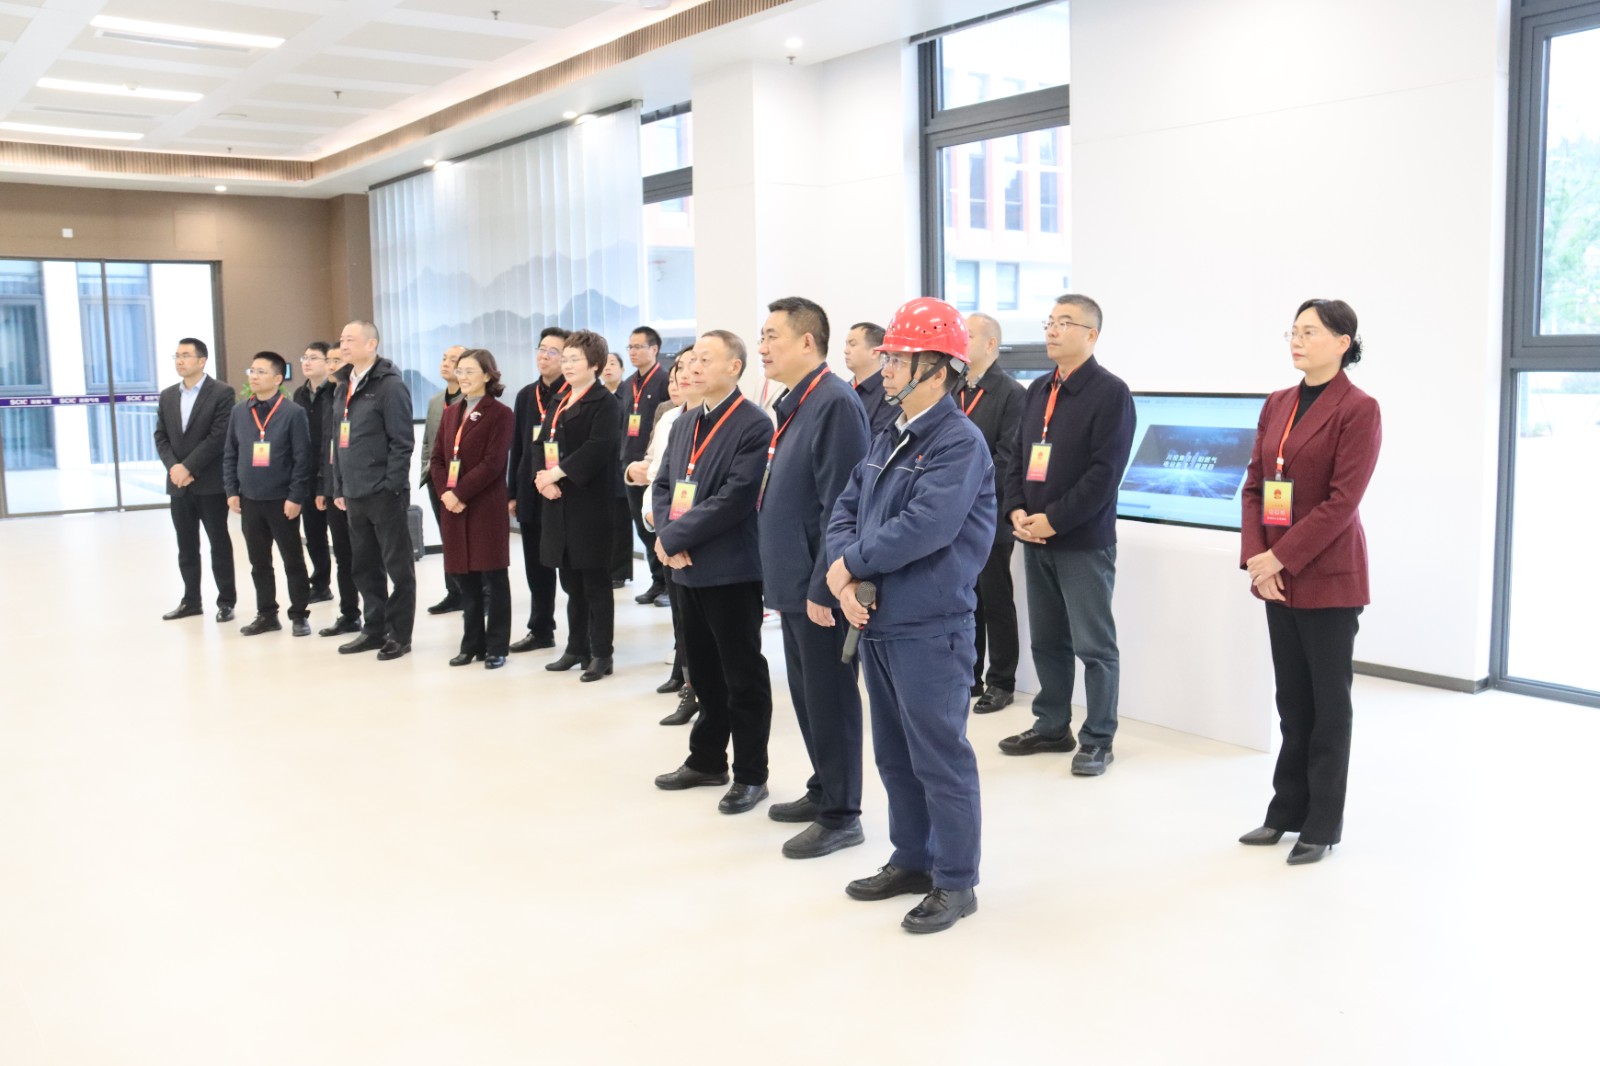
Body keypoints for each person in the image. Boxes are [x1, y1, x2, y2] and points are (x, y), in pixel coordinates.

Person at [826, 297, 995, 934]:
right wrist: (845, 570)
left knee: (939, 759)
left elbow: (926, 525)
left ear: (937, 369)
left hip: (931, 626)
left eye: (899, 358)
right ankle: (912, 859)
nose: (887, 367)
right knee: (895, 756)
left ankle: (955, 880)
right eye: (889, 356)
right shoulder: (890, 432)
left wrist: (851, 565)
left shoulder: (959, 443)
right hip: (879, 620)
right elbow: (848, 506)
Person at [1238, 299, 1381, 866]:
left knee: (1328, 708)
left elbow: (1342, 502)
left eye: (1310, 332)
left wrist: (1280, 558)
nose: (1297, 341)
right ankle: (1284, 812)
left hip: (1328, 575)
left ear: (1343, 342)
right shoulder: (1278, 402)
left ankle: (1322, 825)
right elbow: (1255, 485)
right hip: (1275, 573)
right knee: (1292, 703)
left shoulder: (1359, 409)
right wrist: (1258, 558)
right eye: (1293, 332)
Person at [998, 295, 1135, 776]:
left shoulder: (1111, 393)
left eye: (1064, 323)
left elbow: (1104, 474)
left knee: (1094, 647)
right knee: (1046, 641)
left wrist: (1054, 519)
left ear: (1091, 335)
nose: (1052, 330)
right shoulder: (1038, 388)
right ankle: (1052, 726)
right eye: (1050, 322)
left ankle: (1098, 738)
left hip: (1081, 542)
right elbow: (1017, 456)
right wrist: (1016, 509)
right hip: (1034, 538)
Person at [756, 296, 872, 860]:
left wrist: (825, 585)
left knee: (830, 698)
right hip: (793, 580)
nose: (762, 347)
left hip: (818, 586)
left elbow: (840, 506)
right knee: (806, 695)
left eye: (771, 336)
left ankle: (842, 814)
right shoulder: (796, 401)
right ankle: (824, 785)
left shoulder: (834, 403)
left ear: (807, 341)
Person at [650, 331, 775, 815]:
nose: (692, 368)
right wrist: (668, 536)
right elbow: (664, 485)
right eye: (689, 361)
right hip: (684, 567)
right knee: (701, 671)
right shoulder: (684, 421)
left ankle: (751, 774)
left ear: (734, 367)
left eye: (705, 359)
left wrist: (675, 538)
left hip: (730, 569)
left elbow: (737, 497)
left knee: (741, 675)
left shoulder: (754, 424)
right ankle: (706, 760)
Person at [535, 329, 622, 682]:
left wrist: (557, 474)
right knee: (570, 581)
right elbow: (542, 442)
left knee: (595, 584)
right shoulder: (560, 398)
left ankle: (602, 653)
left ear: (595, 365)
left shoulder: (605, 402)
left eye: (575, 360)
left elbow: (597, 448)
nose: (567, 365)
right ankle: (576, 648)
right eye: (565, 359)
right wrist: (543, 480)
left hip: (589, 504)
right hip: (558, 501)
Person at [329, 320, 416, 662]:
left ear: (371, 344)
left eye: (350, 339)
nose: (343, 345)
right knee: (364, 566)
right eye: (341, 339)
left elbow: (402, 441)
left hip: (383, 492)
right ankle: (374, 628)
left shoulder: (390, 386)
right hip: (353, 492)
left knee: (397, 566)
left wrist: (391, 485)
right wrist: (339, 485)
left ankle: (400, 634)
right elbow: (338, 442)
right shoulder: (343, 386)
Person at [431, 349, 516, 669]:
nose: (463, 376)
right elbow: (437, 459)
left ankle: (497, 646)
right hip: (454, 507)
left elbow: (494, 463)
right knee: (464, 578)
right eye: (460, 370)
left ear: (487, 375)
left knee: (494, 577)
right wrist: (446, 493)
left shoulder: (500, 413)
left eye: (470, 371)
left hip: (484, 505)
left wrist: (460, 492)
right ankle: (471, 644)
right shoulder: (451, 412)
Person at [960, 313, 1027, 713]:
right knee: (966, 598)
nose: (960, 340)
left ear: (990, 344)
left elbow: (1007, 457)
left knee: (995, 598)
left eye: (967, 335)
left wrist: (964, 489)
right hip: (954, 514)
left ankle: (1002, 681)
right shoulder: (953, 387)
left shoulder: (1010, 393)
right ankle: (970, 674)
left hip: (989, 512)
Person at [223, 352, 314, 636]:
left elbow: (302, 459)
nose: (254, 376)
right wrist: (232, 490)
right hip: (250, 499)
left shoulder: (293, 413)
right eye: (252, 371)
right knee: (258, 562)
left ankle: (299, 615)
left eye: (261, 372)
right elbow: (230, 453)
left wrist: (295, 497)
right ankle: (266, 614)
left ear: (277, 379)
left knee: (292, 560)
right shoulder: (240, 412)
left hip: (282, 500)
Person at [631, 355, 699, 724]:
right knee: (680, 614)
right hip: (667, 530)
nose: (684, 375)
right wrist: (652, 517)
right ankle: (685, 677)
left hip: (695, 534)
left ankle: (696, 685)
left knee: (702, 622)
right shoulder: (671, 419)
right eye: (679, 371)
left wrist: (678, 533)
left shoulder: (736, 420)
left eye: (694, 366)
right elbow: (657, 475)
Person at [153, 336, 237, 622]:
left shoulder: (222, 392)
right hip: (178, 485)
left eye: (186, 355)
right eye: (177, 356)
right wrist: (174, 468)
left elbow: (218, 436)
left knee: (219, 544)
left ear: (202, 361)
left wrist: (188, 467)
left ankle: (226, 601)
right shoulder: (167, 395)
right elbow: (161, 436)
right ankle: (191, 601)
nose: (180, 361)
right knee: (186, 546)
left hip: (210, 483)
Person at [506, 327, 570, 653]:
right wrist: (512, 492)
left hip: (563, 492)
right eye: (541, 349)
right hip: (531, 492)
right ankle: (541, 628)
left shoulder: (574, 394)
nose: (544, 356)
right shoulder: (525, 395)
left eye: (552, 351)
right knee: (536, 566)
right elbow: (517, 447)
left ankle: (583, 636)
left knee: (571, 569)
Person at [620, 326, 672, 606]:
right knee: (642, 527)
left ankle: (669, 585)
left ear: (654, 349)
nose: (633, 352)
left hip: (654, 467)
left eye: (638, 346)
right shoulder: (628, 383)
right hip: (631, 465)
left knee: (659, 524)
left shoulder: (664, 380)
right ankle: (657, 580)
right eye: (630, 347)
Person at [314, 343, 362, 637]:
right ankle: (349, 614)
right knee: (343, 556)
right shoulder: (329, 396)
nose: (331, 366)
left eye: (336, 360)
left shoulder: (356, 393)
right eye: (329, 361)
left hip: (359, 487)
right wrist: (325, 486)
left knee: (365, 556)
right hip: (335, 487)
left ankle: (378, 616)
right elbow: (327, 447)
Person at [420, 345, 466, 615]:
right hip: (437, 479)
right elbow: (428, 441)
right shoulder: (436, 401)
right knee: (447, 537)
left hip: (463, 482)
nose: (446, 363)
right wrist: (427, 470)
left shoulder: (472, 401)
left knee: (466, 539)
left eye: (454, 359)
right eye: (444, 358)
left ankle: (480, 592)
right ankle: (454, 592)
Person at [292, 342, 336, 604]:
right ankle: (320, 584)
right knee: (314, 534)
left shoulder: (334, 392)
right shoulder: (299, 394)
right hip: (306, 474)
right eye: (304, 357)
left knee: (341, 538)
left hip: (330, 472)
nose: (307, 362)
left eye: (313, 358)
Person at [602, 349, 634, 586]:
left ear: (622, 369)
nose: (608, 367)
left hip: (622, 465)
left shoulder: (629, 394)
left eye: (613, 363)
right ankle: (605, 568)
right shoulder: (598, 396)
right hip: (601, 467)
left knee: (621, 523)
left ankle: (620, 572)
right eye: (604, 364)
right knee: (603, 523)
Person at [843, 320, 897, 437]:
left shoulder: (889, 390)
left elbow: (878, 440)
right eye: (846, 344)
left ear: (874, 352)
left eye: (852, 344)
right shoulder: (843, 389)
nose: (846, 350)